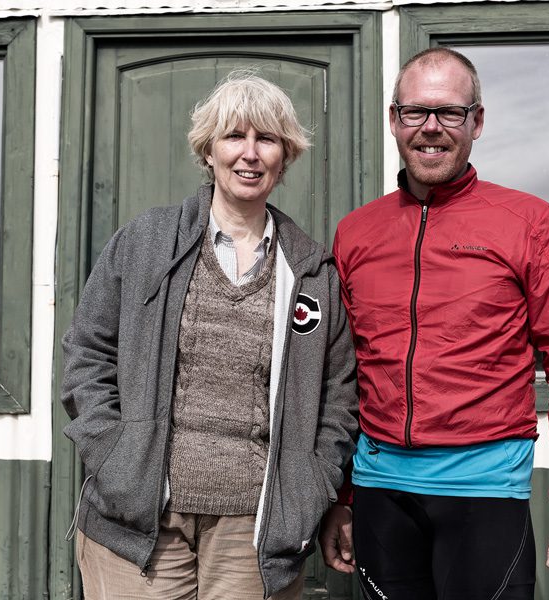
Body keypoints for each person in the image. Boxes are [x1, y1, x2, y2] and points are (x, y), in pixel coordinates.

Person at [320, 47, 549, 599]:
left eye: (450, 112)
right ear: (393, 120)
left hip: (485, 494)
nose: (431, 129)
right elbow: (344, 374)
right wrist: (342, 498)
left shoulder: (529, 223)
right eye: (415, 112)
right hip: (380, 493)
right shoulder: (357, 232)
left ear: (477, 120)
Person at [62, 71, 358, 600]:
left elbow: (338, 393)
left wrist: (313, 483)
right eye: (233, 136)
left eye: (266, 139)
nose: (250, 154)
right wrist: (114, 458)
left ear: (285, 156)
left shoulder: (312, 272)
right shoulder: (145, 242)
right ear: (208, 150)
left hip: (254, 530)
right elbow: (87, 354)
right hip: (140, 521)